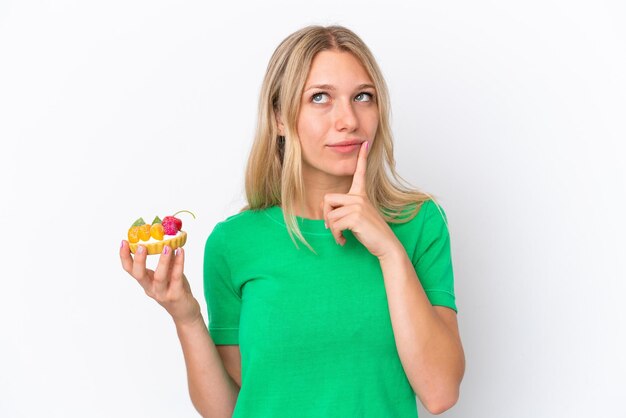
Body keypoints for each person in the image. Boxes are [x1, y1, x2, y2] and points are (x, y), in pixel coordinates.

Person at [120, 25, 465, 417]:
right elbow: (229, 409)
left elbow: (440, 392)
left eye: (363, 97)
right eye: (320, 98)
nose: (349, 120)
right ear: (280, 117)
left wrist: (388, 250)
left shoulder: (417, 224)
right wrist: (186, 316)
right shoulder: (235, 243)